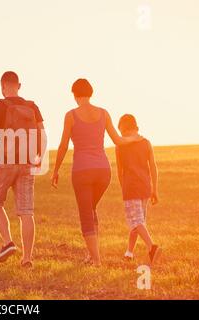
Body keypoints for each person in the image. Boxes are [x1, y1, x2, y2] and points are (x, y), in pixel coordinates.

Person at [51, 79, 141, 267]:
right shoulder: (103, 113)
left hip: (82, 171)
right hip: (103, 172)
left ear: (75, 95)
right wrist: (135, 138)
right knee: (91, 210)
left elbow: (63, 146)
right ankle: (92, 256)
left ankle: (97, 261)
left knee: (86, 214)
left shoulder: (71, 115)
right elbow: (118, 140)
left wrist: (56, 170)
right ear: (90, 93)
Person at [0, 71, 46, 268]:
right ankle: (27, 259)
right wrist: (39, 158)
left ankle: (7, 242)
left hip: (6, 162)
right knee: (26, 212)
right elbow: (42, 134)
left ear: (2, 86)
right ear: (19, 86)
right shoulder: (32, 106)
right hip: (28, 163)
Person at [115, 114, 161, 265]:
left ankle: (152, 247)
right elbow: (153, 167)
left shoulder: (120, 145)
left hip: (131, 187)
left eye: (120, 130)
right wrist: (154, 188)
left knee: (136, 221)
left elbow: (119, 171)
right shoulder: (146, 143)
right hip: (145, 186)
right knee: (139, 222)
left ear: (123, 128)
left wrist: (123, 188)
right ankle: (129, 252)